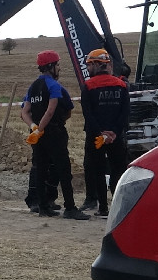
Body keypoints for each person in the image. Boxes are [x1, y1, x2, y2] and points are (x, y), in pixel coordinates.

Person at [21, 50, 90, 220]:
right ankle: (70, 208)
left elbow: (24, 112)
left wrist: (34, 127)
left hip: (37, 136)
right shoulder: (54, 86)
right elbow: (53, 110)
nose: (59, 68)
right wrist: (42, 128)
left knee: (41, 169)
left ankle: (43, 207)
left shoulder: (33, 86)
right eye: (58, 65)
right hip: (54, 133)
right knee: (64, 169)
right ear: (51, 66)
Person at [79, 48, 130, 217]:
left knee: (97, 171)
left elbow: (88, 115)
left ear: (95, 64)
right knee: (118, 169)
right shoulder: (121, 85)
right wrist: (114, 133)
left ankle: (102, 208)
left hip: (96, 137)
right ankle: (118, 205)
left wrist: (101, 134)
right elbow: (124, 113)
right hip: (116, 137)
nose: (88, 68)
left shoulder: (88, 86)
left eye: (89, 65)